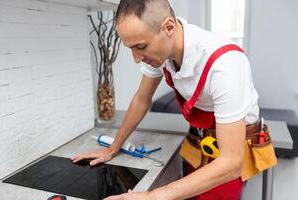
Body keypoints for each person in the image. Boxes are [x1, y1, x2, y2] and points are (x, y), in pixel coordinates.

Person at [72, 0, 276, 199]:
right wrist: (113, 148)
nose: (136, 58)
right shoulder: (161, 52)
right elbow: (141, 100)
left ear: (169, 26)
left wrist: (152, 196)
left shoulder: (225, 64)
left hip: (230, 151)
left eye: (141, 46)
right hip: (198, 142)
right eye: (131, 48)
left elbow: (231, 163)